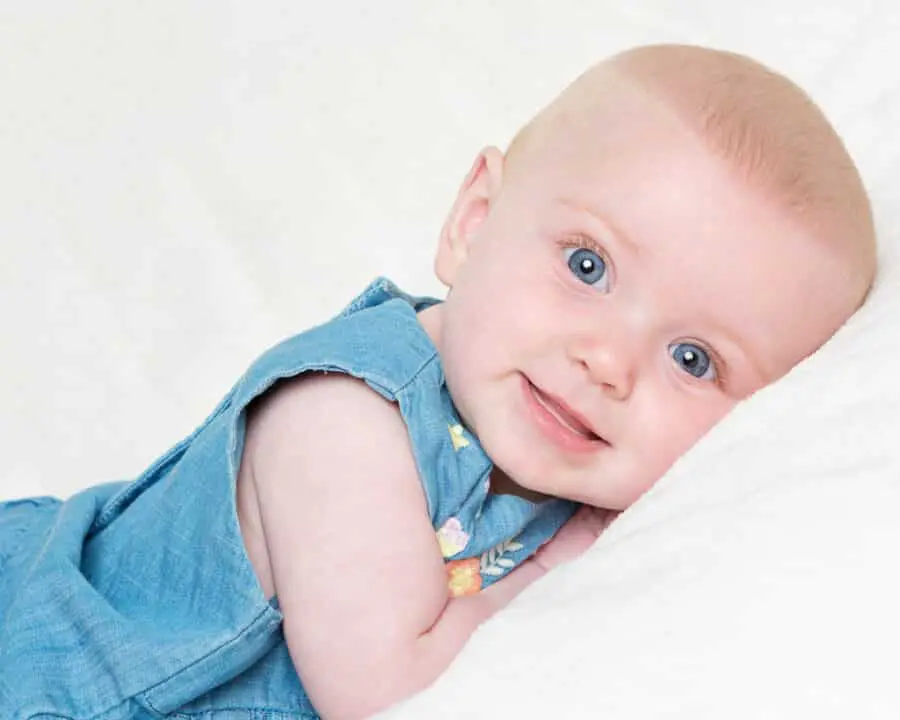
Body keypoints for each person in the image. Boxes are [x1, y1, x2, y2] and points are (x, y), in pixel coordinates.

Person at [0, 43, 876, 720]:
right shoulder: (342, 421)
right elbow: (387, 695)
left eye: (694, 360)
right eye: (587, 265)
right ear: (475, 223)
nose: (607, 362)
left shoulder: (562, 444)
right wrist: (566, 567)